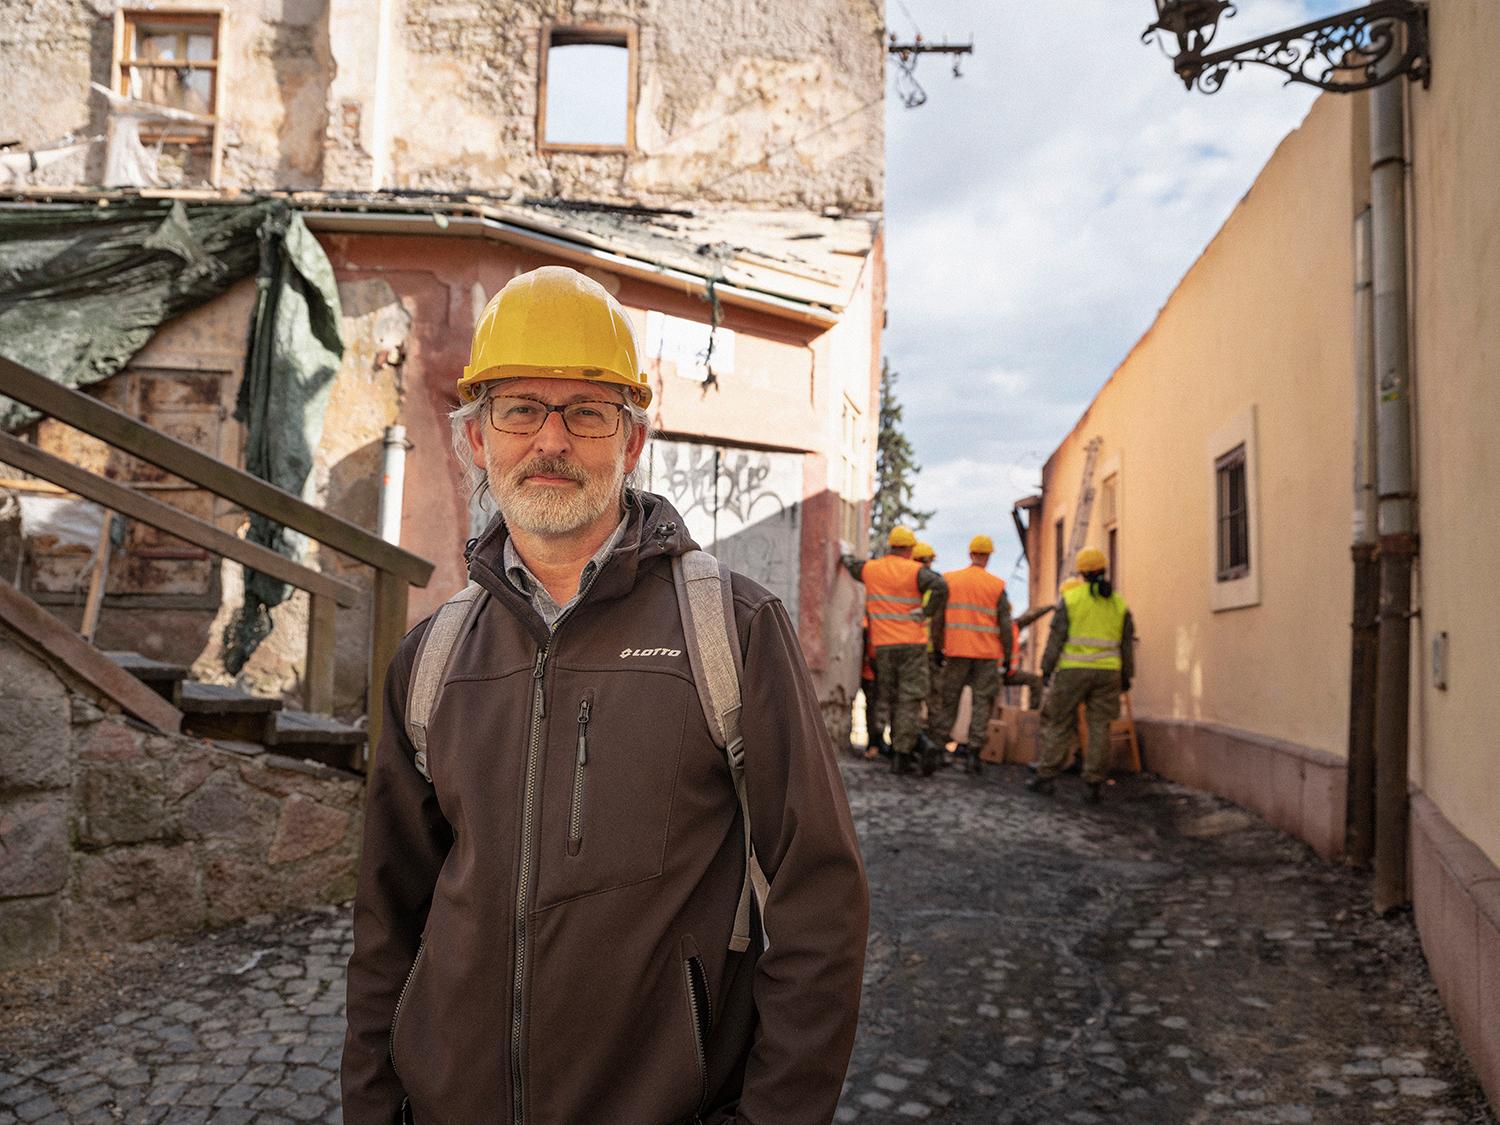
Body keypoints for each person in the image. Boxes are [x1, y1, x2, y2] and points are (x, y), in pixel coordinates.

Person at [342, 266, 869, 1125]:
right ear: (478, 438)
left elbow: (821, 904)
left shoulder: (731, 629)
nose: (551, 440)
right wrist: (372, 1107)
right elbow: (387, 921)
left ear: (631, 441)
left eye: (585, 412)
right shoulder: (431, 658)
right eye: (520, 410)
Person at [1029, 549, 1135, 803]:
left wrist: (1046, 667)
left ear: (1082, 571)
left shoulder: (1072, 599)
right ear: (1104, 569)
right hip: (1109, 672)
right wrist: (1126, 675)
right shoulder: (1119, 603)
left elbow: (1057, 637)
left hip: (1072, 672)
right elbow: (1126, 644)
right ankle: (1094, 782)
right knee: (1100, 726)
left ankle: (1046, 776)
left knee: (1059, 721)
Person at [842, 528, 947, 775]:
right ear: (910, 549)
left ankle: (892, 745)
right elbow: (941, 585)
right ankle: (903, 753)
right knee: (909, 700)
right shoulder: (916, 571)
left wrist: (844, 555)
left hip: (884, 647)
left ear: (890, 546)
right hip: (912, 645)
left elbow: (852, 565)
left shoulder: (872, 569)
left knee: (888, 697)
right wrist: (926, 611)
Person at [927, 534, 1011, 774]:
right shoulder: (996, 586)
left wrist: (938, 647)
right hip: (986, 654)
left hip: (956, 651)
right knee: (981, 703)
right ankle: (974, 753)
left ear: (970, 554)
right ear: (988, 557)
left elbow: (938, 619)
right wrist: (1006, 655)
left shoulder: (951, 580)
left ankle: (939, 747)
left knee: (948, 701)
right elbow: (1005, 625)